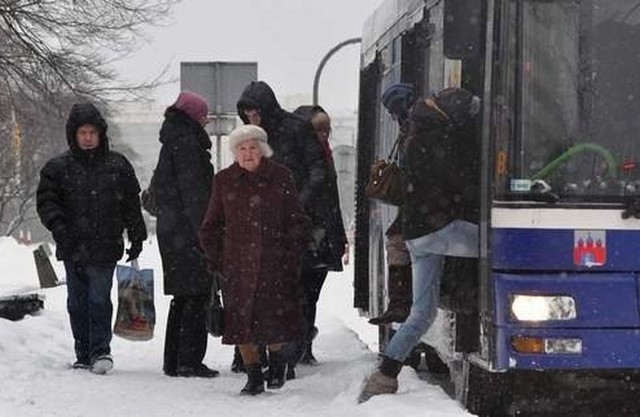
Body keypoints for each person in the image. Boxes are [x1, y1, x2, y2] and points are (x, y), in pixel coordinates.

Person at [359, 87, 482, 402]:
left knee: (422, 313)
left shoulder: (417, 133)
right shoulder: (439, 139)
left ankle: (385, 375)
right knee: (502, 243)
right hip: (441, 230)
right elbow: (459, 185)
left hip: (417, 235)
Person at [199, 124, 311, 395]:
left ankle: (275, 367)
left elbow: (297, 220)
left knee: (273, 320)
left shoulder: (281, 177)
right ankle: (253, 376)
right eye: (242, 148)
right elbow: (210, 225)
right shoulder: (224, 181)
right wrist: (216, 259)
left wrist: (291, 254)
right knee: (240, 324)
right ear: (235, 153)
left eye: (253, 148)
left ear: (263, 150)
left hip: (275, 263)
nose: (248, 154)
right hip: (236, 265)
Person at [36, 102, 147, 375]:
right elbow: (47, 202)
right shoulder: (58, 168)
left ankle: (100, 350)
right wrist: (59, 226)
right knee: (77, 302)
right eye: (82, 133)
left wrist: (137, 235)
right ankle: (82, 351)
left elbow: (131, 204)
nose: (87, 138)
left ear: (100, 134)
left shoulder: (117, 165)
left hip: (105, 245)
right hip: (72, 246)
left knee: (98, 298)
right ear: (74, 135)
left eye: (92, 133)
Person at [231, 80, 328, 373]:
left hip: (289, 224)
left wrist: (297, 203)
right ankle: (252, 354)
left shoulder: (296, 129)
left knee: (287, 291)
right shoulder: (250, 138)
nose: (252, 117)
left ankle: (284, 355)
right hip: (255, 223)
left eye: (256, 111)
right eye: (247, 112)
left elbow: (317, 170)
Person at [154, 91, 218, 378]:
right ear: (193, 116)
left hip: (172, 233)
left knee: (182, 297)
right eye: (203, 115)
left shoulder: (171, 143)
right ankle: (189, 361)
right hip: (189, 235)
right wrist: (205, 236)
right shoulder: (188, 145)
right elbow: (195, 197)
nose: (206, 121)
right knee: (197, 296)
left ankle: (174, 360)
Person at [290, 105, 349, 370]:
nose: (323, 135)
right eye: (318, 130)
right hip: (305, 234)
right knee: (300, 293)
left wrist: (339, 235)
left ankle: (304, 346)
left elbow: (333, 199)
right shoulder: (296, 157)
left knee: (311, 293)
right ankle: (297, 345)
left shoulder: (325, 157)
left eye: (327, 130)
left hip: (323, 234)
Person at [367, 83, 416, 326]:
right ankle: (400, 303)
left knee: (397, 242)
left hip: (420, 203)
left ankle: (400, 304)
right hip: (420, 202)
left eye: (393, 109)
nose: (392, 115)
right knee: (397, 239)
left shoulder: (412, 127)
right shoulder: (417, 123)